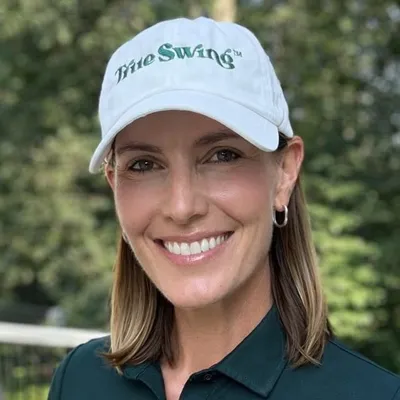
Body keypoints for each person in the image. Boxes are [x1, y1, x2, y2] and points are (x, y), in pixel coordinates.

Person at [47, 16, 400, 400]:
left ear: (284, 172)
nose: (182, 207)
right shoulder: (79, 380)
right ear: (114, 184)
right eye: (144, 164)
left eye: (223, 155)